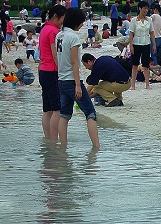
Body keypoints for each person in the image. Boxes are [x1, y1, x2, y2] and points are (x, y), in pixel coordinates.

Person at [56, 7, 100, 149]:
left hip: (61, 80)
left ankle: (63, 148)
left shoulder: (59, 35)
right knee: (90, 113)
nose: (82, 25)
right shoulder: (73, 37)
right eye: (81, 22)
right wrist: (77, 85)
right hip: (71, 80)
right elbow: (75, 62)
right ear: (76, 22)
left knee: (64, 115)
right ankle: (96, 148)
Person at [38, 5, 66, 142]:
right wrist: (63, 72)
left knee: (47, 110)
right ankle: (55, 142)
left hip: (43, 71)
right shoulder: (54, 32)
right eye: (62, 19)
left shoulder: (44, 29)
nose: (63, 23)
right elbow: (56, 55)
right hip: (51, 71)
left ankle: (48, 139)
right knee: (57, 110)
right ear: (55, 16)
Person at [128, 1, 156, 90]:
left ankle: (147, 84)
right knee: (135, 64)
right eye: (144, 8)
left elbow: (151, 32)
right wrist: (131, 45)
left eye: (147, 8)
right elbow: (131, 34)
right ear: (139, 8)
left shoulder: (149, 20)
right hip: (136, 43)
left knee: (146, 65)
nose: (146, 10)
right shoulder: (134, 20)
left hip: (146, 43)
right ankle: (133, 84)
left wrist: (154, 44)